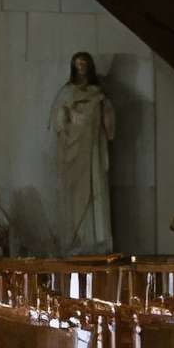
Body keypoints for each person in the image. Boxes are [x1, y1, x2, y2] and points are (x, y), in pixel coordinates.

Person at [50, 50, 117, 254]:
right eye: (77, 64)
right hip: (74, 151)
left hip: (93, 152)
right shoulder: (66, 92)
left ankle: (96, 240)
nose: (81, 67)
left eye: (84, 63)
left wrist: (103, 110)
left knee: (95, 192)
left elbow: (109, 124)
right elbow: (58, 122)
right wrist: (67, 123)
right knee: (75, 195)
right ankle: (77, 239)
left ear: (90, 66)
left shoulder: (98, 93)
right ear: (73, 67)